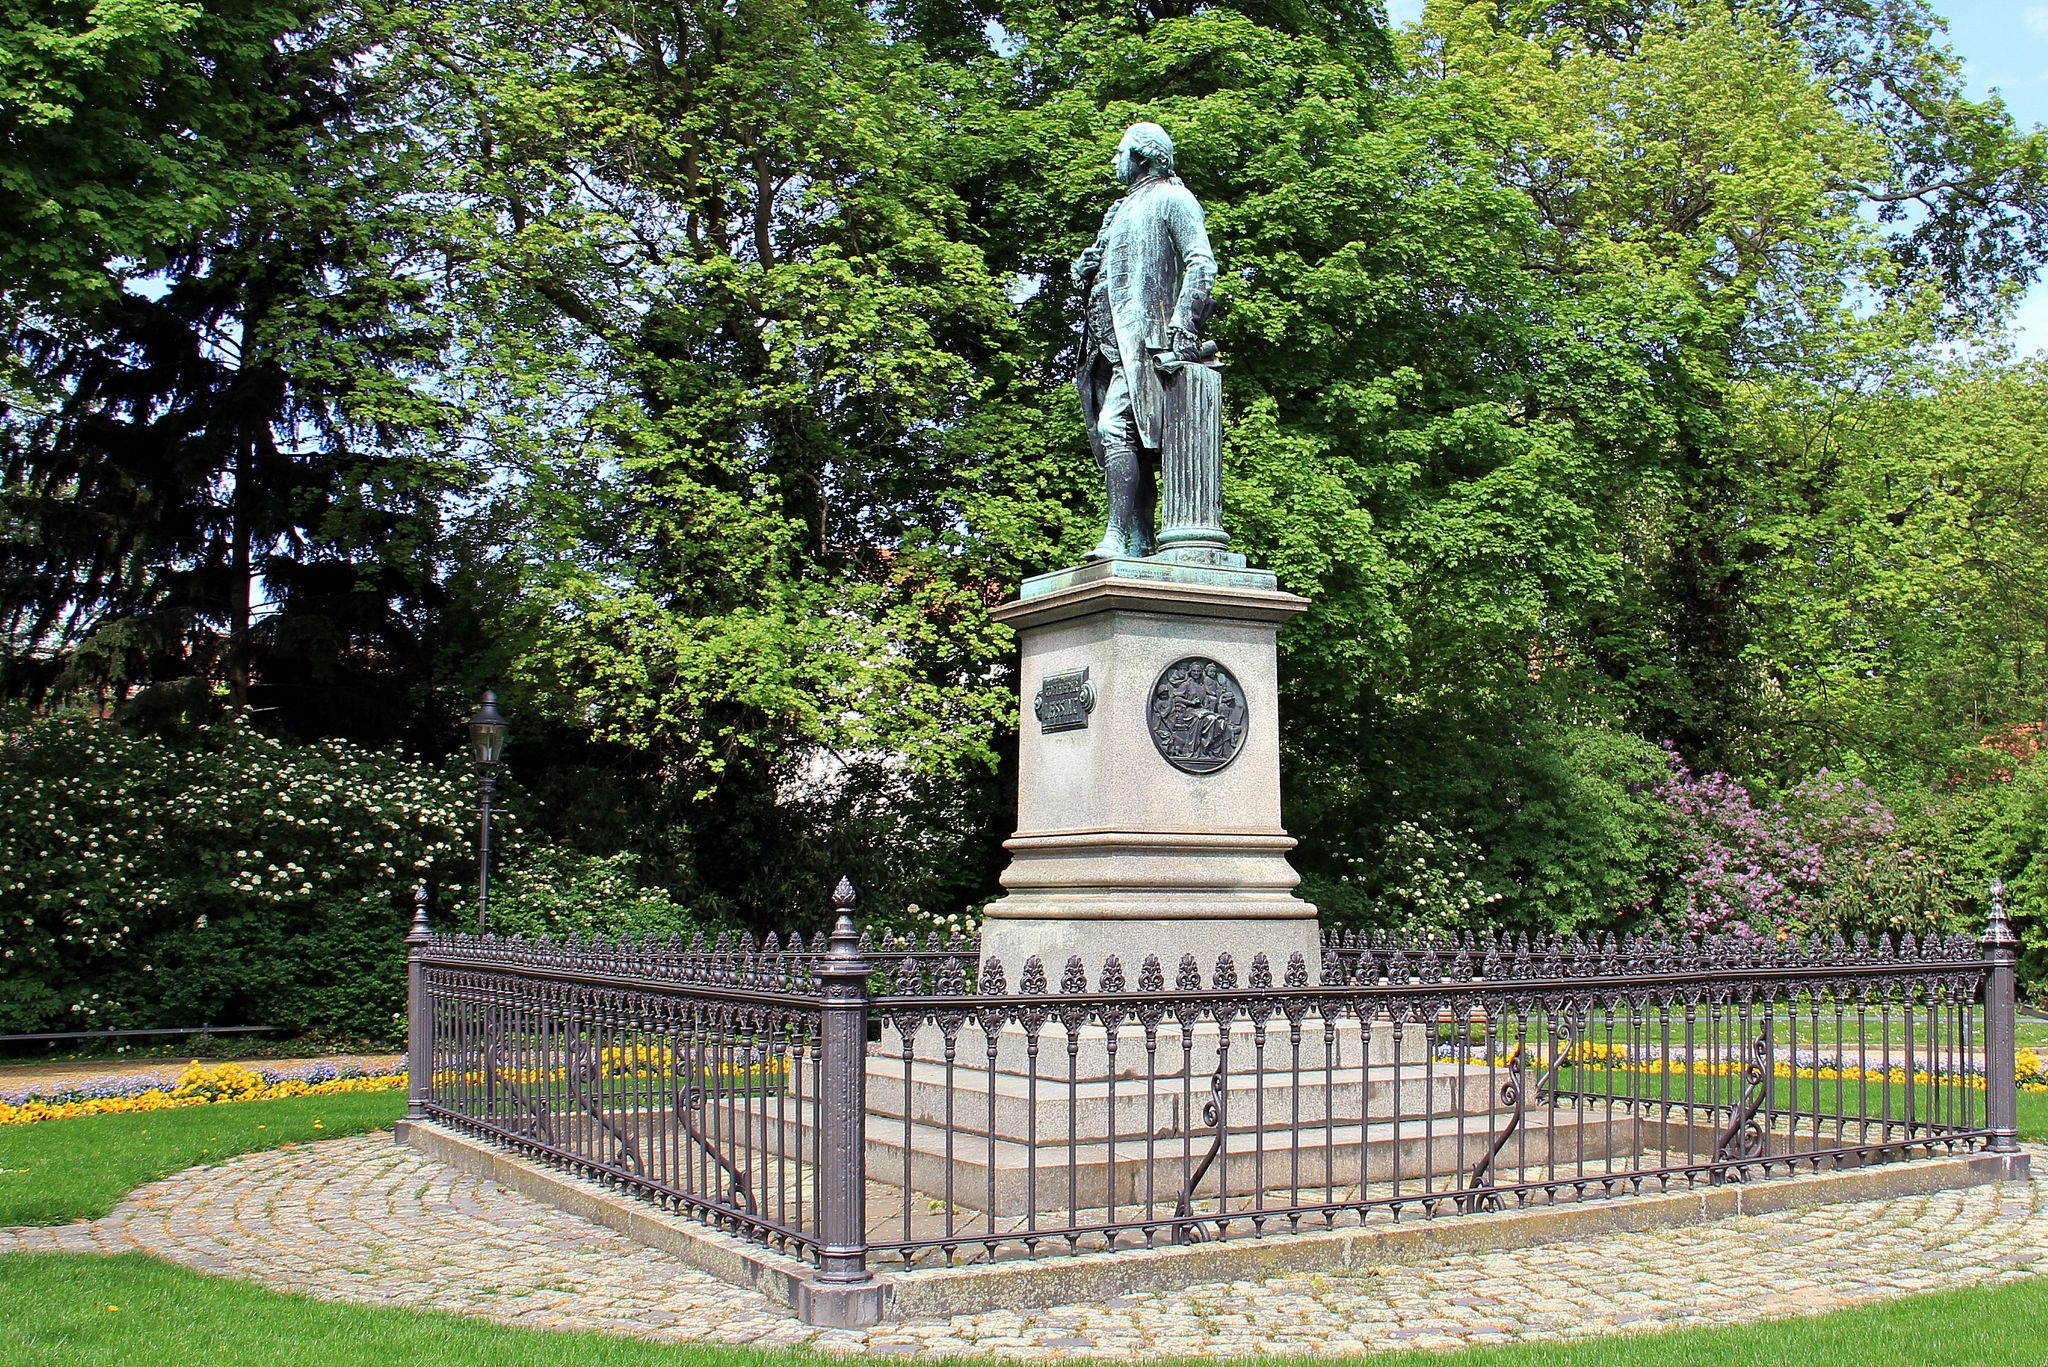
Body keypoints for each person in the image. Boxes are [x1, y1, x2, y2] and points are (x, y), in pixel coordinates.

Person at [1072, 122, 1217, 560]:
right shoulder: (1118, 210)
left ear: (1142, 156)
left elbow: (1201, 263)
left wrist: (1184, 326)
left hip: (1144, 344)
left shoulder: (1173, 198)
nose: (1114, 162)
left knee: (1115, 428)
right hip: (1103, 345)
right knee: (1118, 444)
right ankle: (1139, 541)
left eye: (1120, 153)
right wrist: (1086, 269)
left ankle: (1116, 536)